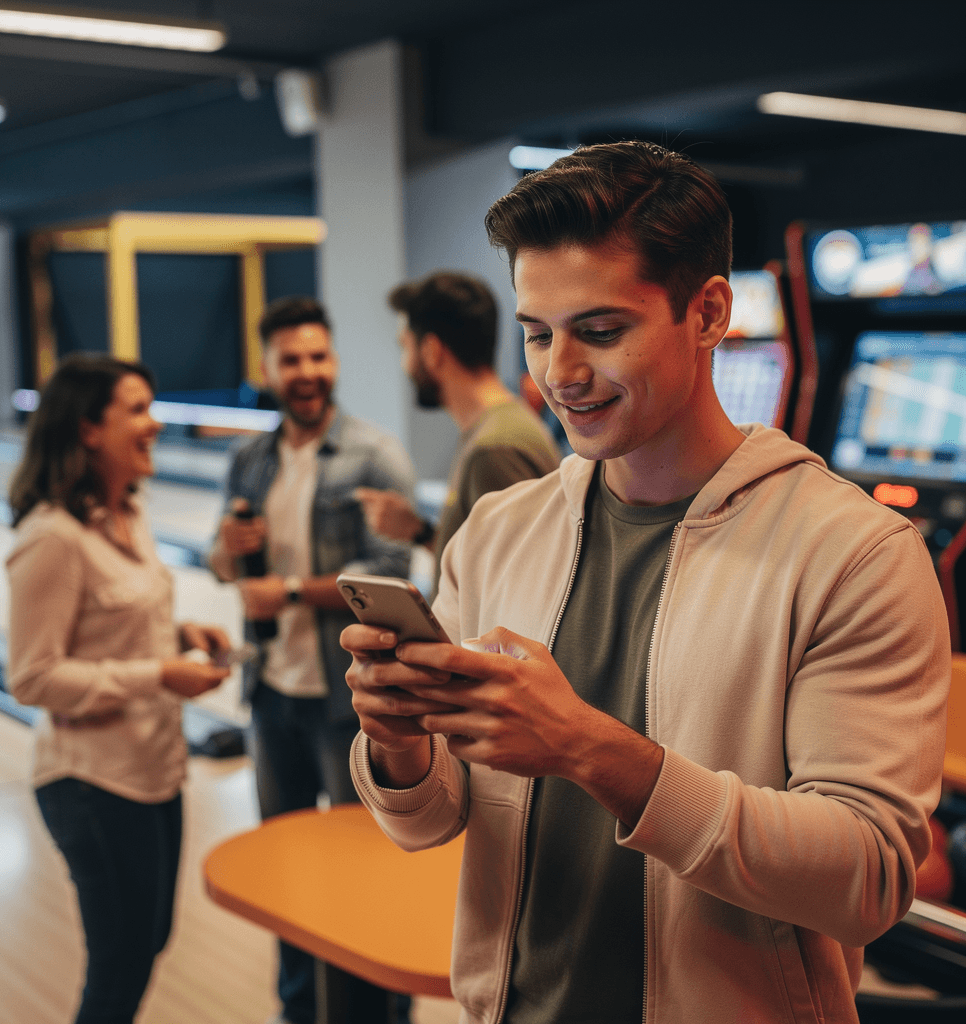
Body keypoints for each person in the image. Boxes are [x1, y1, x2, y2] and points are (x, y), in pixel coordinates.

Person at [341, 142, 951, 1024]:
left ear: (708, 314)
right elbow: (430, 820)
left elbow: (870, 879)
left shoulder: (854, 554)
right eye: (538, 334)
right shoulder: (499, 531)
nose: (559, 374)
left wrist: (594, 751)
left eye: (599, 331)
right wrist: (398, 741)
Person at [207, 296, 416, 1024]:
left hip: (345, 700)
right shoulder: (249, 459)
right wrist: (227, 558)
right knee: (286, 875)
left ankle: (380, 1015)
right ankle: (300, 1012)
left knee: (367, 867)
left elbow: (390, 575)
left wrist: (291, 590)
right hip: (270, 694)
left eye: (318, 357)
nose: (308, 372)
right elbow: (220, 562)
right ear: (267, 368)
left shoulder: (372, 452)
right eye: (292, 360)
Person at [6, 354, 231, 1024]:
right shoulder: (52, 538)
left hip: (154, 768)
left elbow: (117, 624)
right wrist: (161, 673)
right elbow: (33, 675)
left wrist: (183, 635)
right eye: (136, 409)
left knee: (147, 942)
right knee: (120, 963)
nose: (154, 423)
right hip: (91, 783)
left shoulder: (129, 513)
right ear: (88, 430)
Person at [355, 271, 561, 594]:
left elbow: (517, 584)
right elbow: (481, 560)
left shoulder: (495, 448)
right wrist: (419, 532)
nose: (405, 363)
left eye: (405, 347)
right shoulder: (491, 431)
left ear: (432, 351)